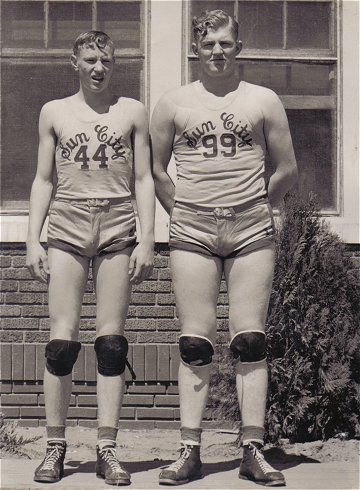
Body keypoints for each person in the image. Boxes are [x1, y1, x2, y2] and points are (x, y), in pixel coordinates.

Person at [151, 9, 298, 487]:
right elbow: (157, 171)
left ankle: (251, 449)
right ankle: (189, 450)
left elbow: (286, 169)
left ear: (239, 48)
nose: (217, 52)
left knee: (249, 339)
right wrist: (184, 212)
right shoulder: (173, 103)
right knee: (195, 341)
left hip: (250, 227)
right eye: (209, 44)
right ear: (196, 48)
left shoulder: (263, 100)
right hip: (192, 228)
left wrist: (258, 206)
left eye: (226, 44)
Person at [26, 31, 155, 486]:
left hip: (117, 224)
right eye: (90, 59)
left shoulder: (132, 112)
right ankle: (55, 446)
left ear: (114, 63)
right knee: (60, 344)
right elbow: (44, 179)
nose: (98, 67)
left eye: (106, 59)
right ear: (74, 62)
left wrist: (147, 239)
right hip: (68, 225)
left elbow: (143, 178)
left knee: (111, 343)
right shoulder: (55, 112)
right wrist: (32, 238)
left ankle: (107, 448)